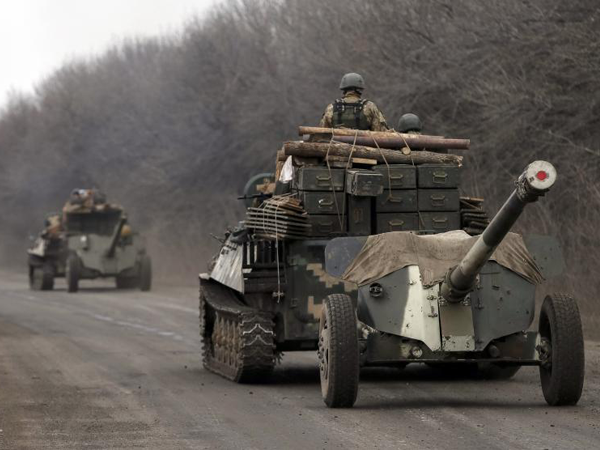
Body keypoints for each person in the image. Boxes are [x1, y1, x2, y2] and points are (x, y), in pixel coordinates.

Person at [319, 73, 389, 131]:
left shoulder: (331, 108)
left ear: (343, 89)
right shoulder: (370, 107)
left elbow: (322, 133)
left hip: (336, 143)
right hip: (364, 144)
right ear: (360, 89)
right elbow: (381, 132)